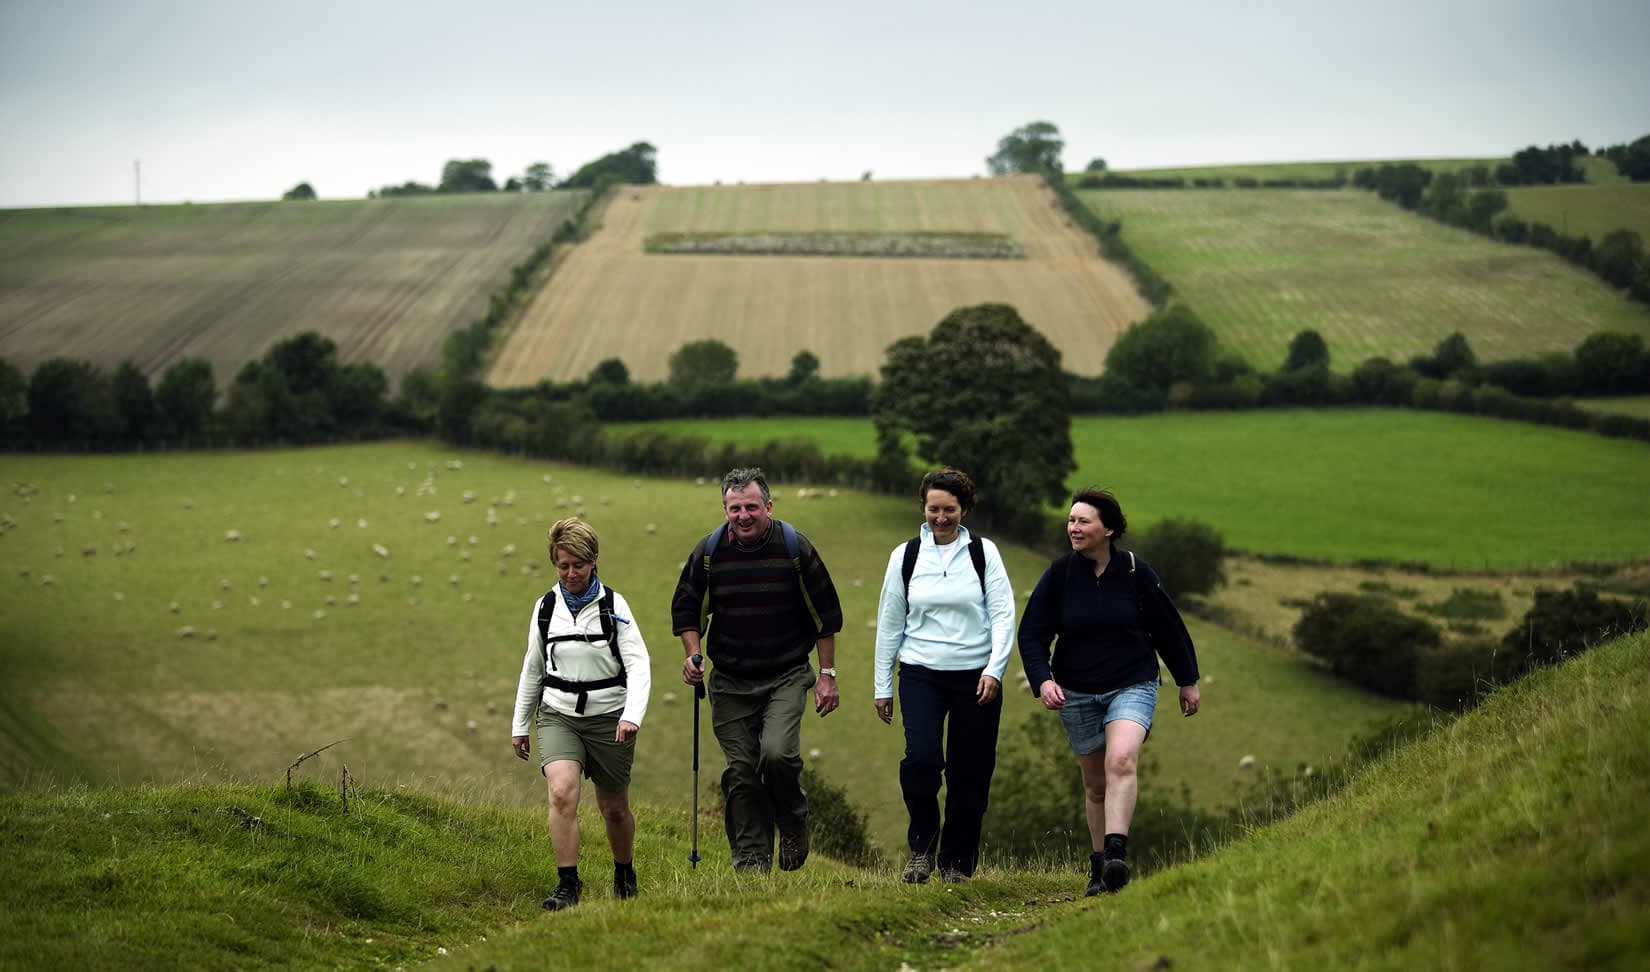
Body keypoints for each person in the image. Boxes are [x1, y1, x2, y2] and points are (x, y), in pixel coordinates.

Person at [1016, 488, 1201, 897]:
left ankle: (1117, 853)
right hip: (1075, 691)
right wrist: (1043, 680)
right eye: (1071, 520)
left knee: (1121, 759)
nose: (1074, 528)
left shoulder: (1136, 572)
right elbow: (1031, 634)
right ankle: (1100, 868)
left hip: (1132, 682)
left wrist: (1187, 679)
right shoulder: (1061, 574)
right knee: (1096, 785)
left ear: (1109, 529)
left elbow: (1168, 628)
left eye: (1083, 521)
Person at [671, 467, 844, 873]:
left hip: (785, 674)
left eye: (751, 506)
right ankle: (751, 863)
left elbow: (826, 615)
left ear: (768, 506)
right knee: (742, 772)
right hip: (730, 682)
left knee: (777, 755)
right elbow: (685, 609)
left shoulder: (794, 549)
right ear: (725, 509)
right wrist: (694, 654)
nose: (743, 515)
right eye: (734, 508)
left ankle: (793, 819)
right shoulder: (710, 553)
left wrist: (827, 675)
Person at [873, 468, 1016, 884]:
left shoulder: (984, 554)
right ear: (923, 508)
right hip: (920, 674)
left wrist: (995, 669)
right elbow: (890, 622)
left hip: (976, 677)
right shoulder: (905, 557)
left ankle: (957, 864)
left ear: (964, 510)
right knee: (921, 761)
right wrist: (883, 685)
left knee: (968, 772)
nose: (941, 517)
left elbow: (1004, 614)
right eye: (934, 509)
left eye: (949, 509)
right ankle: (921, 850)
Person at [511, 517, 652, 912]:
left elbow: (639, 665)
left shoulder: (614, 607)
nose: (571, 574)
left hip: (610, 719)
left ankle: (624, 873)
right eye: (563, 566)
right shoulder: (545, 609)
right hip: (559, 715)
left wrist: (631, 716)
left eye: (579, 565)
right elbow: (533, 668)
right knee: (561, 793)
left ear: (593, 562)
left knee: (614, 809)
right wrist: (520, 725)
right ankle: (567, 883)